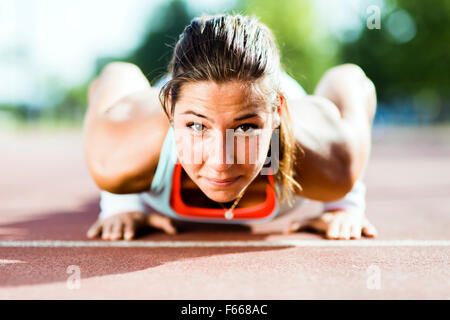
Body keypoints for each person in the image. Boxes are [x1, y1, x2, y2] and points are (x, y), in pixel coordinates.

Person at [83, 13, 378, 241]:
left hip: (265, 91)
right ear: (171, 112)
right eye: (197, 127)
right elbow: (115, 74)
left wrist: (342, 206)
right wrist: (122, 204)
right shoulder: (114, 157)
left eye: (246, 129)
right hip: (181, 96)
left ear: (276, 114)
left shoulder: (333, 164)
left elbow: (351, 79)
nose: (222, 162)